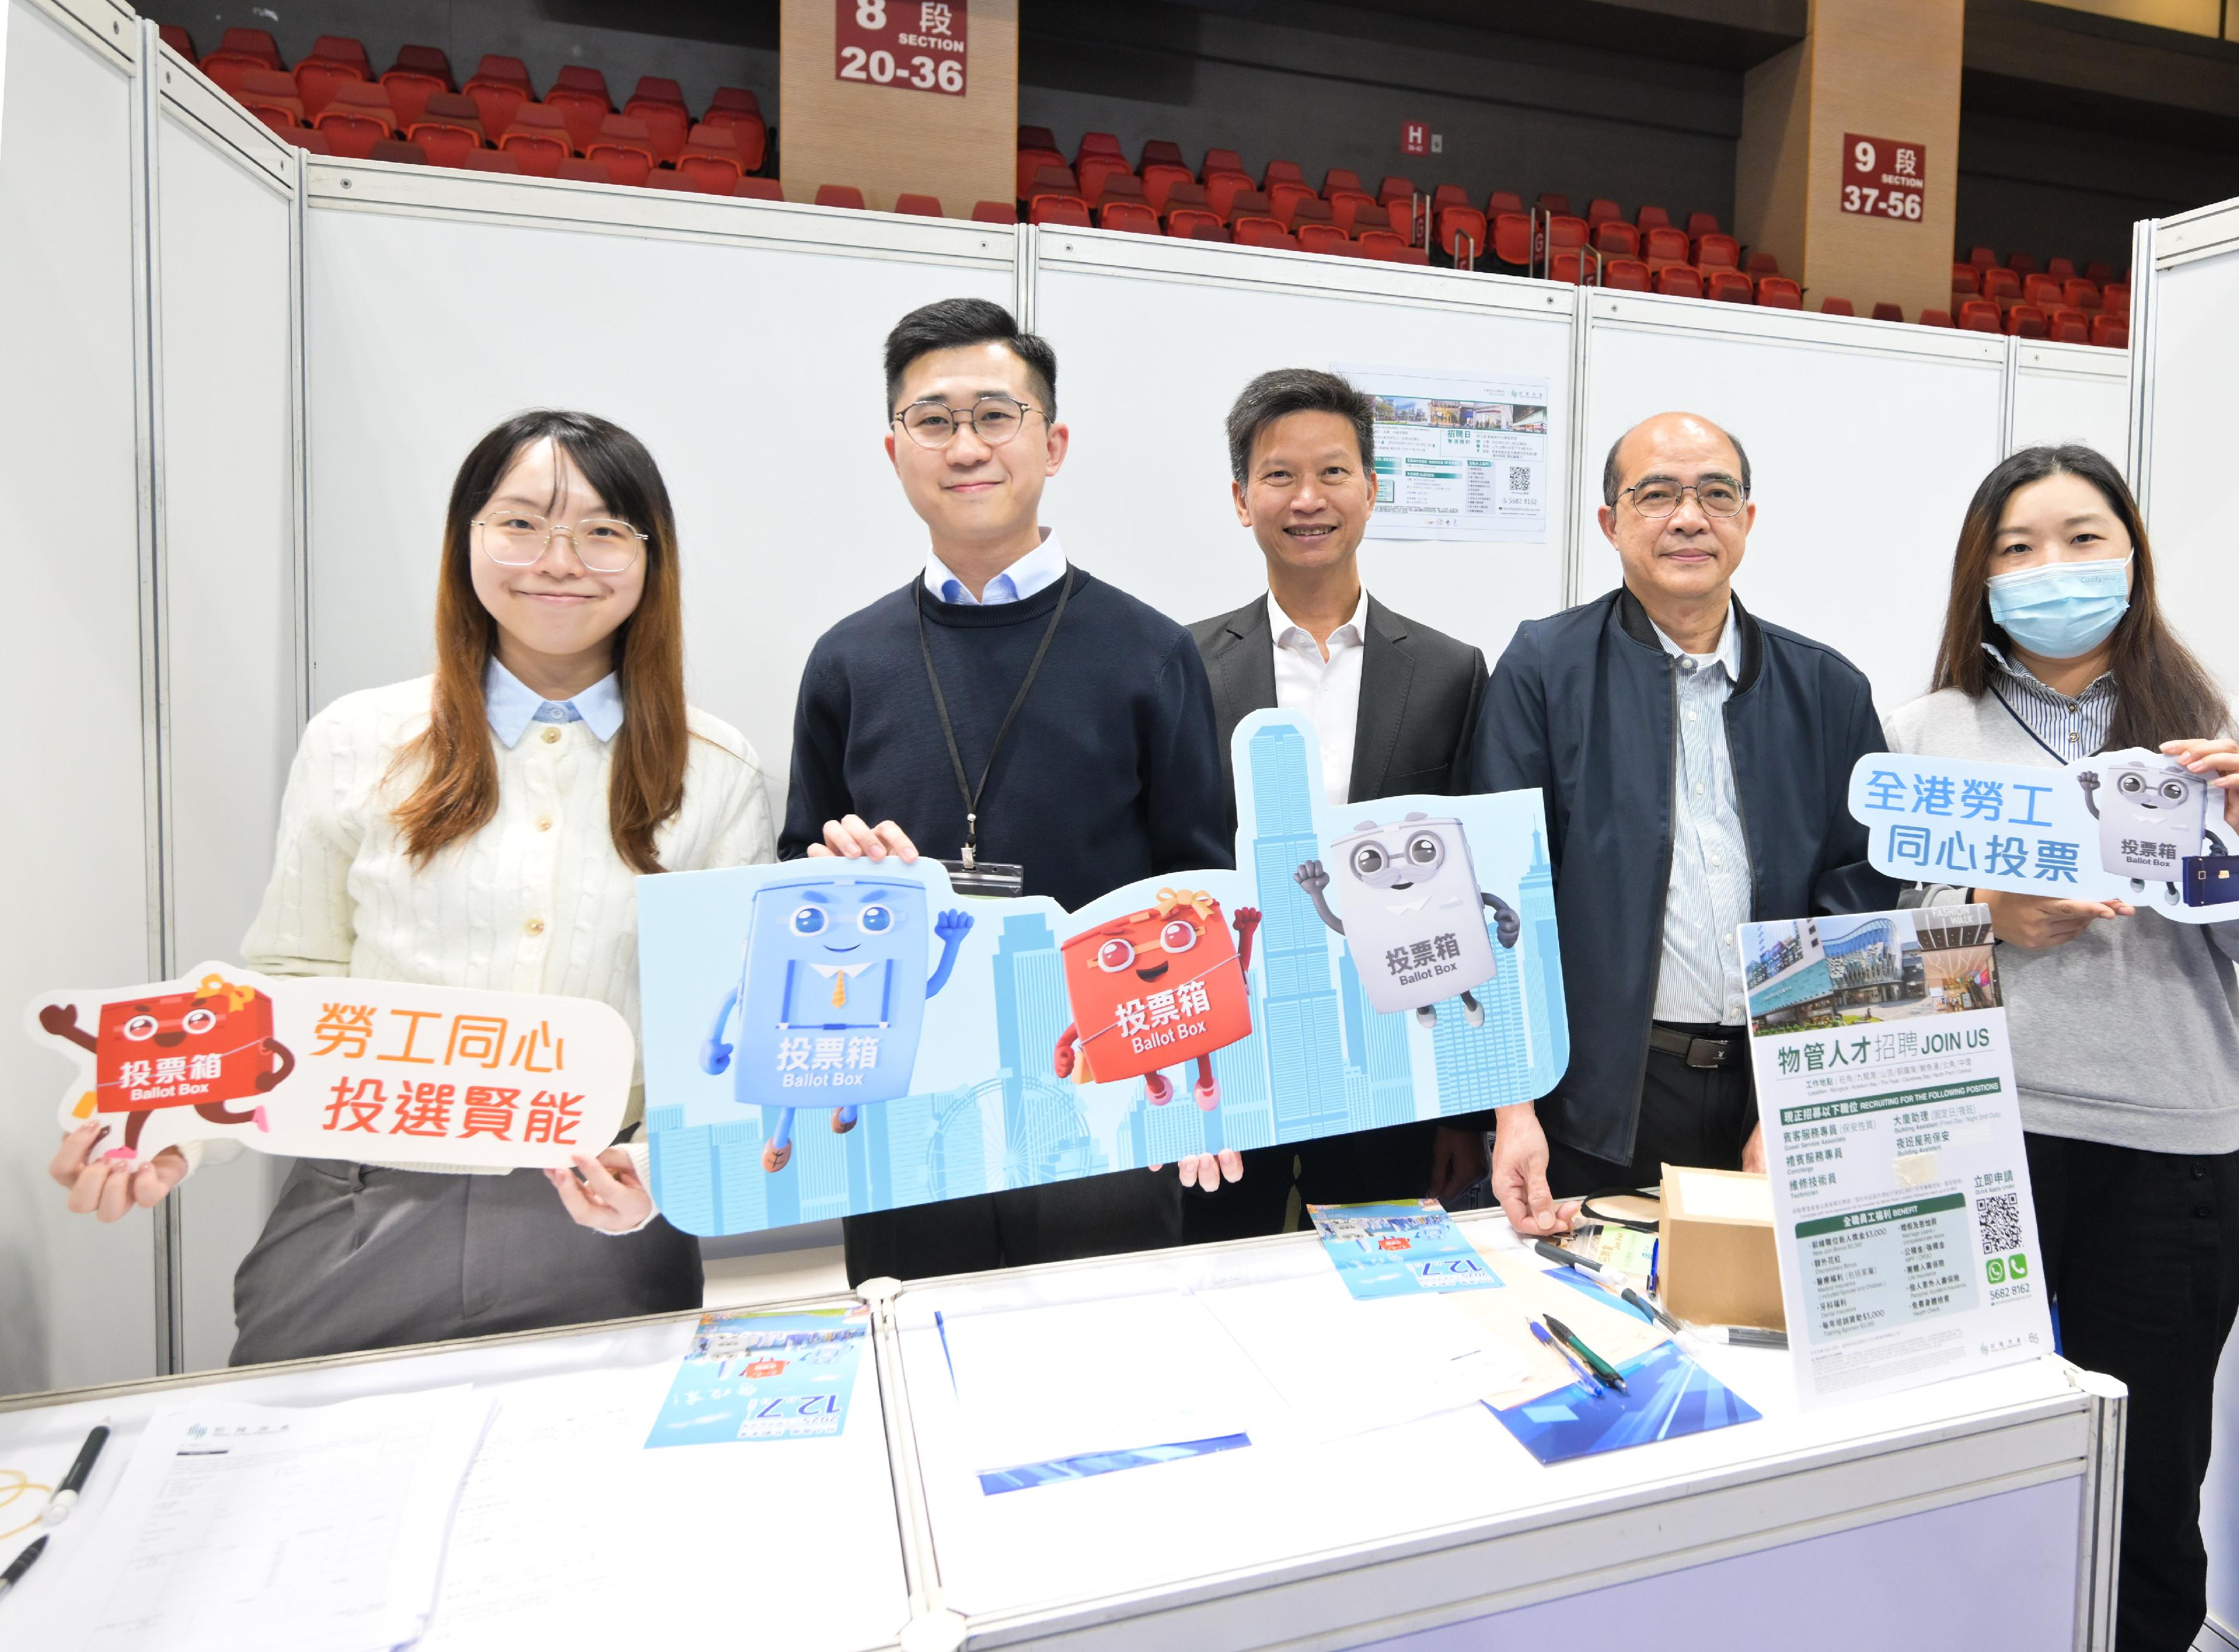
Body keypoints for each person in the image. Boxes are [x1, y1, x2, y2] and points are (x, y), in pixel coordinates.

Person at [49, 410, 776, 1363]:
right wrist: (184, 1120)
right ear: (467, 537)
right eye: (520, 522)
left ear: (650, 558)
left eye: (602, 531)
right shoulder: (359, 740)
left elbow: (728, 1037)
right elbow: (292, 979)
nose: (559, 559)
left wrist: (658, 1170)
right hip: (361, 1208)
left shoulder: (716, 770)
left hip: (599, 1222)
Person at [1887, 444, 2239, 1652]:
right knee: (1954, 1476)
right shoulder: (1926, 734)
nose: (2053, 568)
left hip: (2165, 1166)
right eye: (2018, 547)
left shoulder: (2228, 737)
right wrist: (1982, 927)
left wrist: (2227, 864)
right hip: (1963, 1148)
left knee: (2148, 1494)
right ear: (1979, 577)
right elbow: (1865, 962)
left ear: (2135, 555)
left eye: (2083, 538)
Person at [784, 298, 1233, 1284]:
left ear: (1053, 441)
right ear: (895, 449)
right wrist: (843, 880)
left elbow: (1197, 884)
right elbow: (796, 878)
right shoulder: (847, 661)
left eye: (997, 416)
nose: (966, 446)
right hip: (908, 1118)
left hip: (1104, 1098)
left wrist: (1205, 1090)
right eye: (934, 420)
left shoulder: (1150, 652)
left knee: (1104, 1387)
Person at [1469, 411, 1893, 1234]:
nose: (1688, 517)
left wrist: (1796, 1100)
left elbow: (1857, 905)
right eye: (1657, 494)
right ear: (1611, 522)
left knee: (1755, 1343)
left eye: (1715, 495)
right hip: (1597, 1101)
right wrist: (1512, 1110)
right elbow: (1496, 901)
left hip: (1771, 1093)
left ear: (1747, 520)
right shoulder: (1544, 671)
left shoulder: (1828, 690)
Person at [1187, 368, 1492, 1238]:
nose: (1308, 499)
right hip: (1232, 1048)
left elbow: (1468, 889)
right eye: (1279, 476)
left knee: (1385, 1297)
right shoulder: (1181, 663)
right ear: (1243, 499)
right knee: (1216, 1276)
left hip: (1386, 1052)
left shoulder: (1447, 672)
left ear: (1371, 491)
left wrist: (1458, 1110)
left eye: (1334, 473)